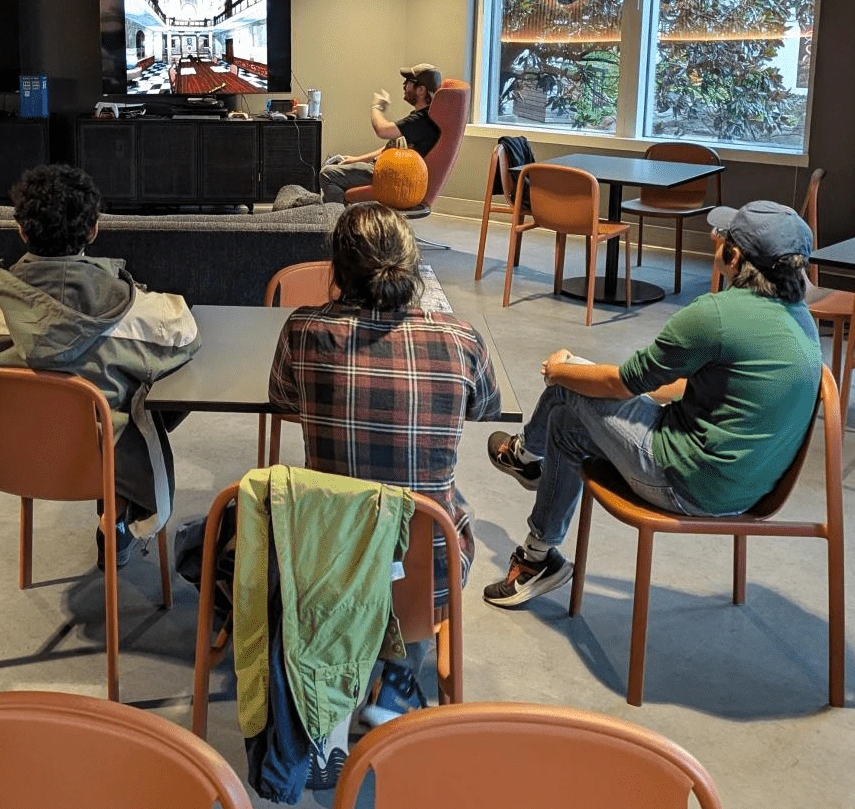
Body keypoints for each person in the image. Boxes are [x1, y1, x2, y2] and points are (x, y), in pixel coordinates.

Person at [483, 199, 823, 609]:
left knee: (569, 385)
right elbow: (694, 384)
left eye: (724, 239)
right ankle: (538, 554)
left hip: (688, 483)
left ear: (733, 256)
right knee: (568, 427)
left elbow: (621, 382)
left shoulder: (717, 315)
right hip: (749, 487)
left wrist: (559, 369)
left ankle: (524, 455)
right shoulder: (802, 319)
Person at [268, 202, 499, 744]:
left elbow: (282, 402)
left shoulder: (302, 331)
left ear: (338, 270)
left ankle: (334, 668)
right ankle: (398, 677)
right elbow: (484, 408)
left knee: (365, 505)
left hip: (327, 566)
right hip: (427, 580)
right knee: (436, 509)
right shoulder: (461, 338)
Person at [0, 163, 198, 559]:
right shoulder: (137, 316)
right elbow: (186, 336)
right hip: (97, 463)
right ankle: (121, 507)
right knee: (154, 387)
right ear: (93, 228)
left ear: (22, 230)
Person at [317, 64, 444, 202]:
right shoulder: (421, 117)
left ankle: (340, 219)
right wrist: (354, 160)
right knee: (335, 170)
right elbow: (389, 149)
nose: (404, 84)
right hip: (388, 168)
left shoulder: (421, 121)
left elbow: (382, 130)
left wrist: (377, 107)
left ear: (421, 90)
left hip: (393, 175)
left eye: (409, 82)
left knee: (327, 174)